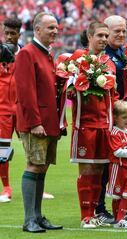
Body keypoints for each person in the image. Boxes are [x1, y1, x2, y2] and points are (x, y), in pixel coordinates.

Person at [14, 12, 63, 233]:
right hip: (37, 123)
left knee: (42, 167)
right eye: (50, 27)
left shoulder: (46, 53)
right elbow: (25, 92)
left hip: (48, 121)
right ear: (37, 29)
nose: (54, 31)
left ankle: (37, 216)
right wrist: (34, 122)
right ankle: (29, 219)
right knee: (34, 165)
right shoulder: (27, 53)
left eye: (56, 27)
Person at [68, 21, 117, 228]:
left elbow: (113, 96)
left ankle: (94, 213)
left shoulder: (109, 63)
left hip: (104, 125)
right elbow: (68, 90)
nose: (104, 39)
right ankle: (85, 216)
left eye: (106, 36)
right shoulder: (77, 60)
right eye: (100, 35)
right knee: (87, 170)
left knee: (99, 171)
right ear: (89, 36)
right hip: (85, 125)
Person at [98, 15, 127, 224]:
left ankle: (119, 212)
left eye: (124, 31)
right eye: (117, 31)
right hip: (108, 117)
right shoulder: (102, 56)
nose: (121, 35)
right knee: (107, 164)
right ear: (106, 31)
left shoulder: (124, 52)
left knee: (121, 167)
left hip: (123, 114)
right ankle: (100, 208)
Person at [106, 100, 127, 229]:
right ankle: (118, 220)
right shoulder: (115, 133)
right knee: (117, 195)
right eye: (124, 117)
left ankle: (120, 219)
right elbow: (117, 151)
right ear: (115, 117)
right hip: (118, 168)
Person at [0, 17, 22, 203]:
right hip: (3, 110)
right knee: (3, 150)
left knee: (34, 148)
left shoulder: (25, 53)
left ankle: (40, 187)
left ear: (19, 34)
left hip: (23, 109)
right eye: (6, 32)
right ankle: (6, 188)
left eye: (12, 33)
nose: (8, 36)